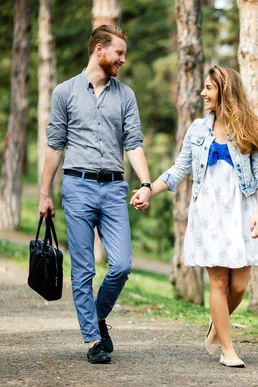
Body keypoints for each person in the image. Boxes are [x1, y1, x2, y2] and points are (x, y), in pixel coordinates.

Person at [133, 65, 258, 368]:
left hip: (243, 212)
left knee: (239, 287)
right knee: (219, 283)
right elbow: (179, 169)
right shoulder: (198, 129)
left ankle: (215, 323)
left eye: (208, 88)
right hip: (209, 214)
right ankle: (227, 349)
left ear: (225, 90)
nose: (202, 93)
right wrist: (148, 189)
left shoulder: (253, 128)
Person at [38, 25, 153, 364]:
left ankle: (98, 317)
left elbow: (133, 142)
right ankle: (92, 340)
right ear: (99, 50)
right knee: (84, 270)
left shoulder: (125, 95)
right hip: (77, 187)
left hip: (114, 188)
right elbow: (55, 147)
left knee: (121, 264)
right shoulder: (65, 92)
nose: (122, 60)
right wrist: (44, 194)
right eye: (118, 53)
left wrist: (145, 184)